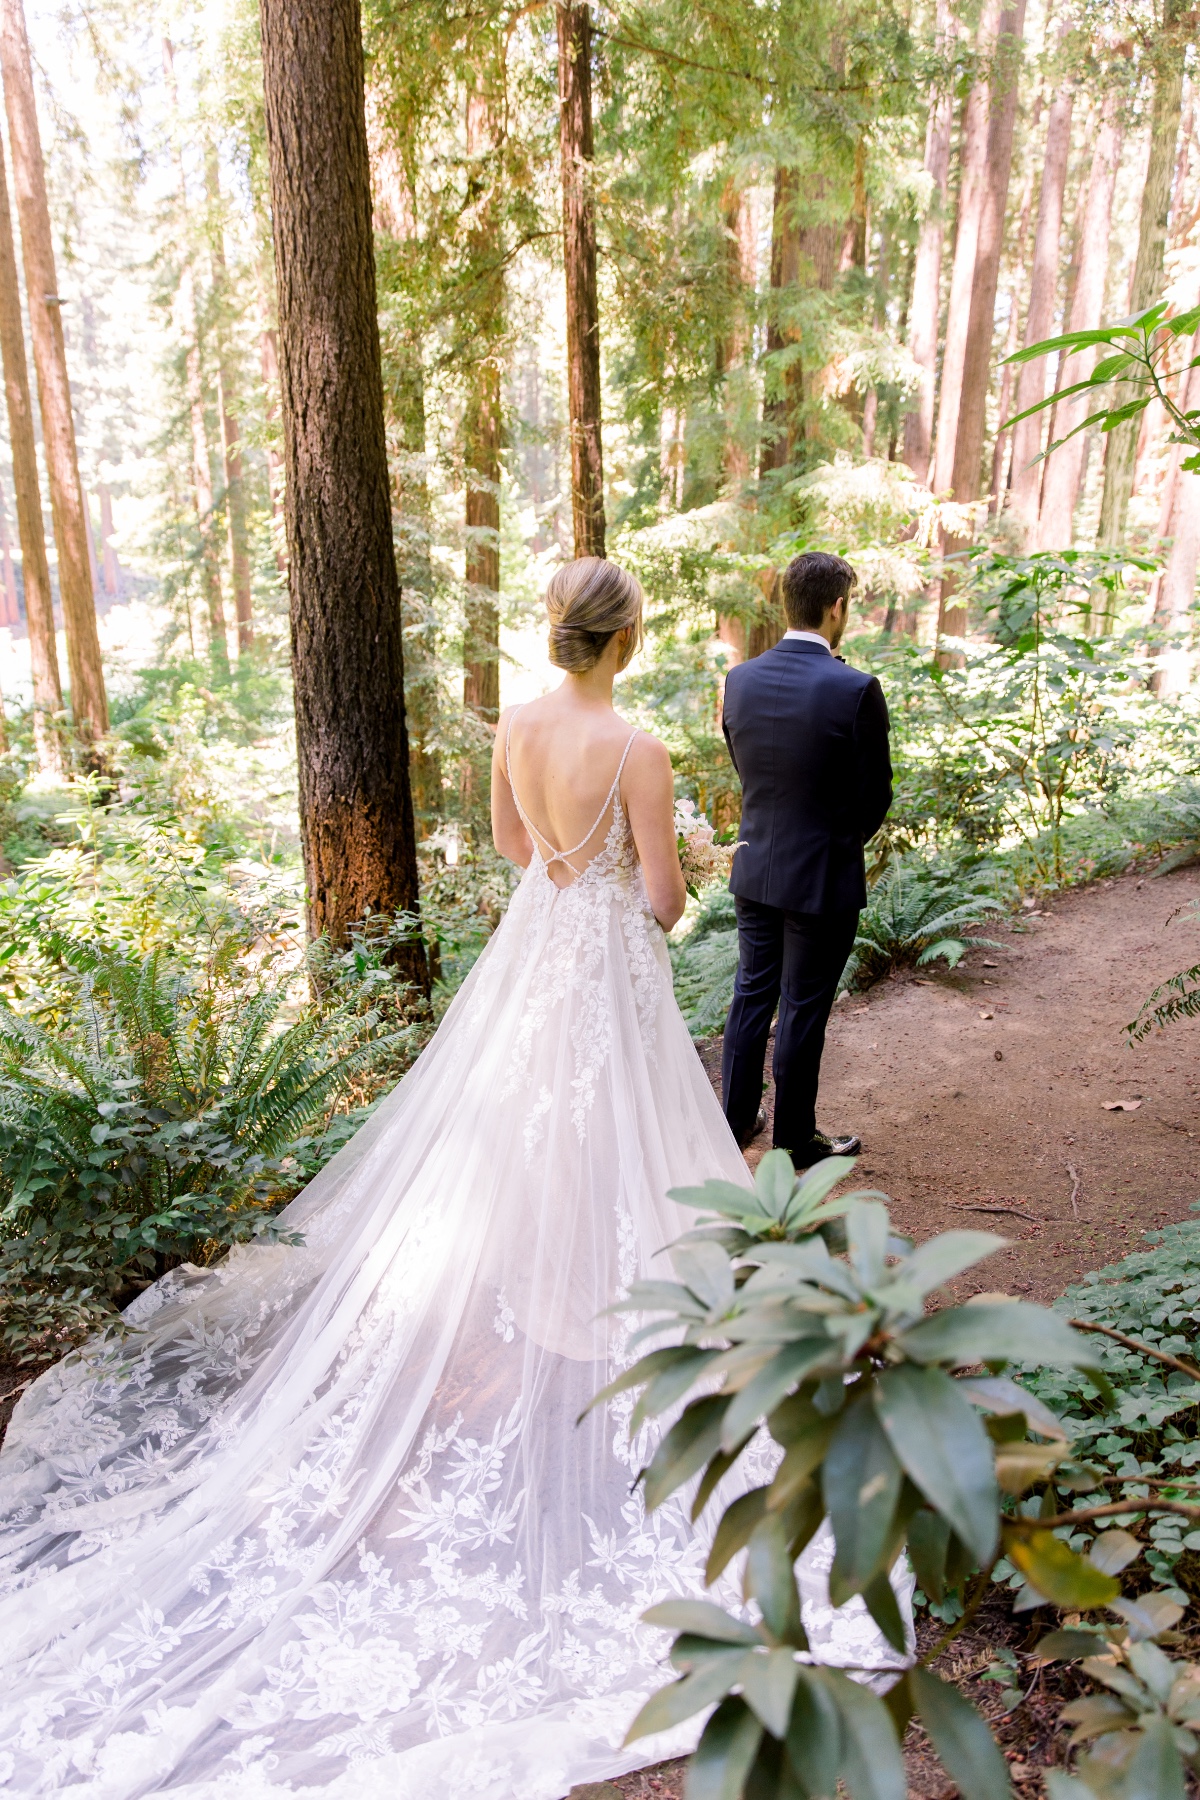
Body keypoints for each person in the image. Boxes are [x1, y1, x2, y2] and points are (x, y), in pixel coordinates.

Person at [0, 557, 906, 1800]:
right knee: (623, 1144)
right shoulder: (637, 746)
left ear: (559, 635)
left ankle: (547, 1307)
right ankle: (617, 1333)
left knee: (532, 1137)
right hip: (604, 974)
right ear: (626, 638)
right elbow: (656, 899)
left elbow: (506, 845)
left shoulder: (516, 726)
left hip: (534, 959)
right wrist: (670, 868)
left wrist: (560, 865)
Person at [720, 551, 893, 1164]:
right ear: (837, 606)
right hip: (821, 876)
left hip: (754, 864)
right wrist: (834, 842)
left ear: (785, 603)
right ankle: (794, 1141)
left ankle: (734, 1124)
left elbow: (748, 770)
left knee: (751, 994)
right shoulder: (855, 688)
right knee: (802, 1007)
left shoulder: (739, 680)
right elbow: (876, 797)